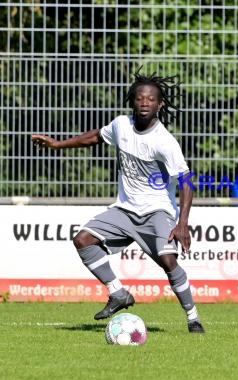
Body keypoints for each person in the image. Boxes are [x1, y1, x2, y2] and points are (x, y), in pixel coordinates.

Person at [31, 69, 205, 333]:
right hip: (124, 210)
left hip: (157, 212)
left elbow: (186, 180)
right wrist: (57, 145)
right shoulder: (121, 125)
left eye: (150, 99)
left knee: (169, 262)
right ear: (132, 101)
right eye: (139, 98)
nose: (144, 103)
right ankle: (118, 292)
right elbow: (94, 137)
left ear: (160, 105)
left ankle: (193, 318)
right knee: (83, 239)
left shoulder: (164, 141)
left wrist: (182, 222)